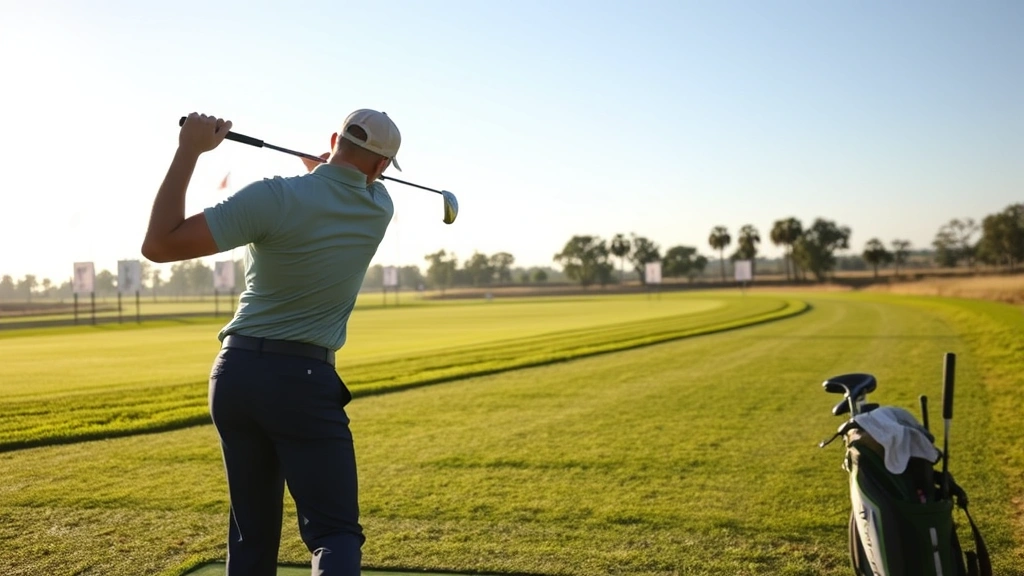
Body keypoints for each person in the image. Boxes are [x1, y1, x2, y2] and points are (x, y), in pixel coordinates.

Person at [141, 109, 402, 575]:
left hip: (234, 374)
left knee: (251, 532)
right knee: (334, 532)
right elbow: (343, 188)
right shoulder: (379, 208)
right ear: (381, 168)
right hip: (303, 380)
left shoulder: (272, 197)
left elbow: (160, 245)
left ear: (333, 138)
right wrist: (321, 173)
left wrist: (189, 150)